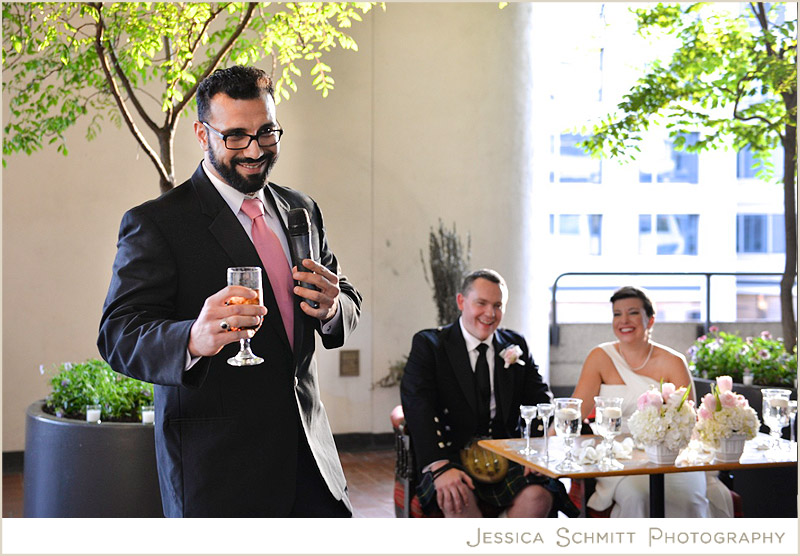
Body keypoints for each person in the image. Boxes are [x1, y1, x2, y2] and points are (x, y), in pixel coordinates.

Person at [97, 66, 362, 518]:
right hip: (219, 478)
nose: (256, 150)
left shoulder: (301, 207)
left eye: (267, 132)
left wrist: (335, 308)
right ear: (202, 133)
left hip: (313, 465)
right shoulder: (158, 223)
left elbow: (345, 294)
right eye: (236, 136)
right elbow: (118, 334)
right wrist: (193, 338)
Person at [400, 269, 577, 518]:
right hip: (450, 455)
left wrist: (536, 452)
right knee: (457, 499)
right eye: (481, 303)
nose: (490, 314)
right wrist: (439, 467)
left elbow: (541, 401)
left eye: (498, 305)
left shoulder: (515, 345)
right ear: (462, 301)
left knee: (538, 497)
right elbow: (418, 406)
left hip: (508, 454)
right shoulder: (430, 345)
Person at [571, 286, 733, 518]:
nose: (624, 320)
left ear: (650, 319)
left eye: (633, 312)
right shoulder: (600, 357)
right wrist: (548, 441)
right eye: (617, 314)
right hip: (619, 455)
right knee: (637, 496)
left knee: (688, 498)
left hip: (670, 454)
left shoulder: (673, 361)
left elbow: (688, 421)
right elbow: (576, 409)